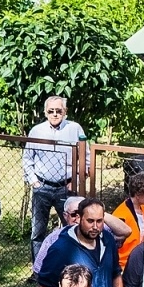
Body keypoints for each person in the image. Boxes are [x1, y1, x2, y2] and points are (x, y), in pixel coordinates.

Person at [23, 96, 88, 253]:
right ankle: (38, 271)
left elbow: (86, 158)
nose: (55, 114)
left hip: (65, 187)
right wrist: (34, 182)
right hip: (42, 187)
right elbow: (27, 159)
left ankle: (70, 266)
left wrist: (76, 180)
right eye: (51, 111)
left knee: (73, 229)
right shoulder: (36, 131)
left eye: (58, 111)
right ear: (45, 112)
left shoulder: (75, 129)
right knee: (37, 232)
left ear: (65, 112)